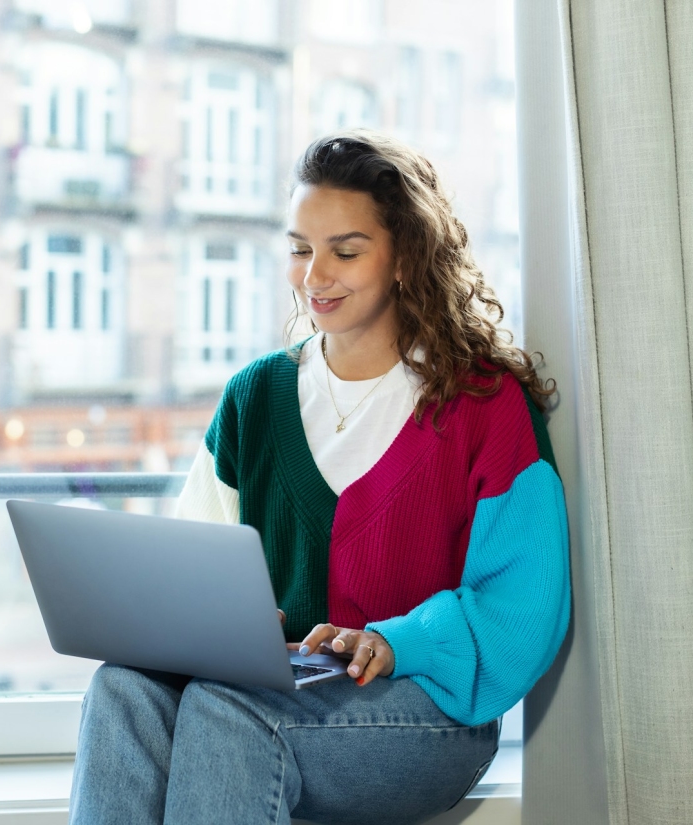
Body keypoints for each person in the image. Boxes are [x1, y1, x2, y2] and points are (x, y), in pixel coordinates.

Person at [69, 131, 570, 825]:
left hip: (429, 712)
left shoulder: (483, 404)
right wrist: (222, 620)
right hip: (272, 687)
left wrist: (399, 640)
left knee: (226, 712)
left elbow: (524, 603)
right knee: (122, 689)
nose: (314, 274)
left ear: (404, 257)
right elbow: (192, 564)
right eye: (301, 248)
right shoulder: (254, 396)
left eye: (346, 250)